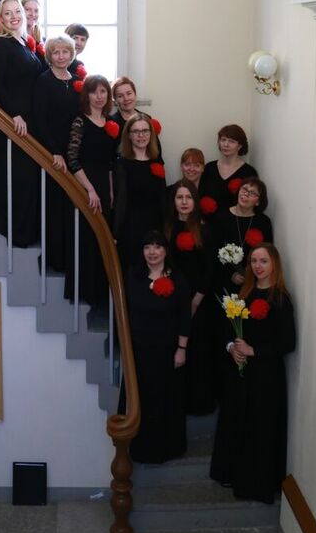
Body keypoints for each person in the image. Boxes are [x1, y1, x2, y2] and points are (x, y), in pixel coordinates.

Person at [210, 243, 296, 503]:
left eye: (263, 261)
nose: (258, 266)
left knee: (259, 428)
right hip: (240, 372)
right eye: (254, 261)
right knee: (237, 422)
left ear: (274, 265)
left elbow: (288, 343)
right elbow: (227, 330)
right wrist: (231, 348)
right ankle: (232, 473)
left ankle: (255, 484)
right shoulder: (242, 293)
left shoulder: (280, 298)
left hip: (266, 377)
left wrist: (253, 350)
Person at [122, 231, 191, 463]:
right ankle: (141, 449)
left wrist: (181, 349)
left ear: (165, 251)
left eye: (157, 247)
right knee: (142, 398)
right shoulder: (133, 275)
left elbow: (185, 316)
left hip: (167, 350)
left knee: (165, 399)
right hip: (139, 350)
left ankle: (168, 449)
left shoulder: (178, 279)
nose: (152, 252)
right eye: (147, 247)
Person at [0, 0, 44, 245]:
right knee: (17, 177)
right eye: (8, 13)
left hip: (30, 119)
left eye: (17, 12)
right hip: (15, 121)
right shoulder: (1, 43)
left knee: (29, 178)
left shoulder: (24, 42)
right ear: (0, 19)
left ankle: (28, 231)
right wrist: (14, 115)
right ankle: (16, 231)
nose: (14, 17)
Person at [64, 75, 118, 317]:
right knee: (85, 239)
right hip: (84, 185)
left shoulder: (110, 123)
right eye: (94, 92)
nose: (99, 96)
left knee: (101, 241)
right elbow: (72, 159)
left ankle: (98, 296)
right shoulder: (80, 121)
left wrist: (110, 190)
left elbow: (110, 163)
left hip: (104, 187)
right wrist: (90, 190)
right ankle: (83, 293)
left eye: (103, 91)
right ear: (86, 95)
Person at [165, 179, 216, 415]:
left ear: (195, 201)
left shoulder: (205, 230)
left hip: (199, 300)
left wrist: (195, 300)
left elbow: (210, 269)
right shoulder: (168, 228)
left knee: (197, 351)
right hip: (174, 298)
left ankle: (198, 404)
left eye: (188, 197)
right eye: (179, 197)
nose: (184, 202)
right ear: (174, 201)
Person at [32, 34, 81, 271]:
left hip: (74, 151)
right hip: (52, 152)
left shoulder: (78, 81)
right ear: (49, 56)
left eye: (65, 52)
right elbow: (39, 120)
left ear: (71, 55)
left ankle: (70, 258)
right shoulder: (44, 80)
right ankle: (54, 259)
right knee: (54, 206)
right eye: (56, 52)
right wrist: (54, 152)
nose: (61, 56)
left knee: (72, 205)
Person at [113, 113, 166, 271]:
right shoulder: (122, 163)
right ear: (129, 135)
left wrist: (165, 228)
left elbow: (162, 196)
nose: (141, 135)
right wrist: (115, 232)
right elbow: (121, 200)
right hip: (131, 226)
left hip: (154, 224)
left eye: (145, 131)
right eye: (136, 131)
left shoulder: (157, 160)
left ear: (151, 134)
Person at [212, 178, 274, 294]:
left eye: (252, 193)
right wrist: (231, 275)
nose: (246, 194)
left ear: (258, 202)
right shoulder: (221, 217)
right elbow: (213, 252)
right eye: (244, 189)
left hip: (254, 281)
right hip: (223, 280)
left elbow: (268, 255)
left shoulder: (263, 222)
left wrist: (250, 275)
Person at [199, 124, 258, 218]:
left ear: (240, 146)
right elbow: (200, 195)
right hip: (209, 223)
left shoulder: (249, 172)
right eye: (223, 140)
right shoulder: (209, 168)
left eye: (232, 141)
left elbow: (251, 203)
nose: (226, 144)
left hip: (236, 223)